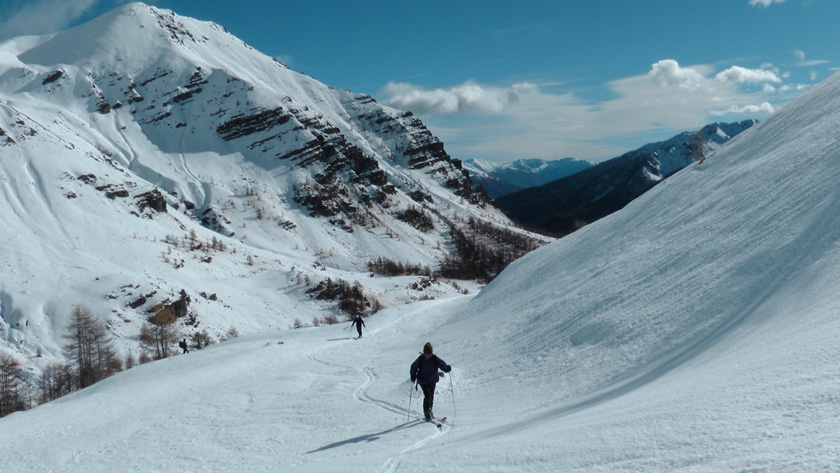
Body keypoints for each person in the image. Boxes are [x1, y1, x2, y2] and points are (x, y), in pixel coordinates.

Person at [410, 342, 451, 421]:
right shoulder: (421, 359)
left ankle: (430, 410)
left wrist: (446, 368)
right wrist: (413, 375)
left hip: (432, 380)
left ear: (431, 353)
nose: (427, 355)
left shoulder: (435, 358)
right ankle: (426, 412)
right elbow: (413, 367)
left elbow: (441, 364)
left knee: (431, 396)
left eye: (429, 353)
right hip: (423, 380)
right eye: (426, 353)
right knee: (427, 395)